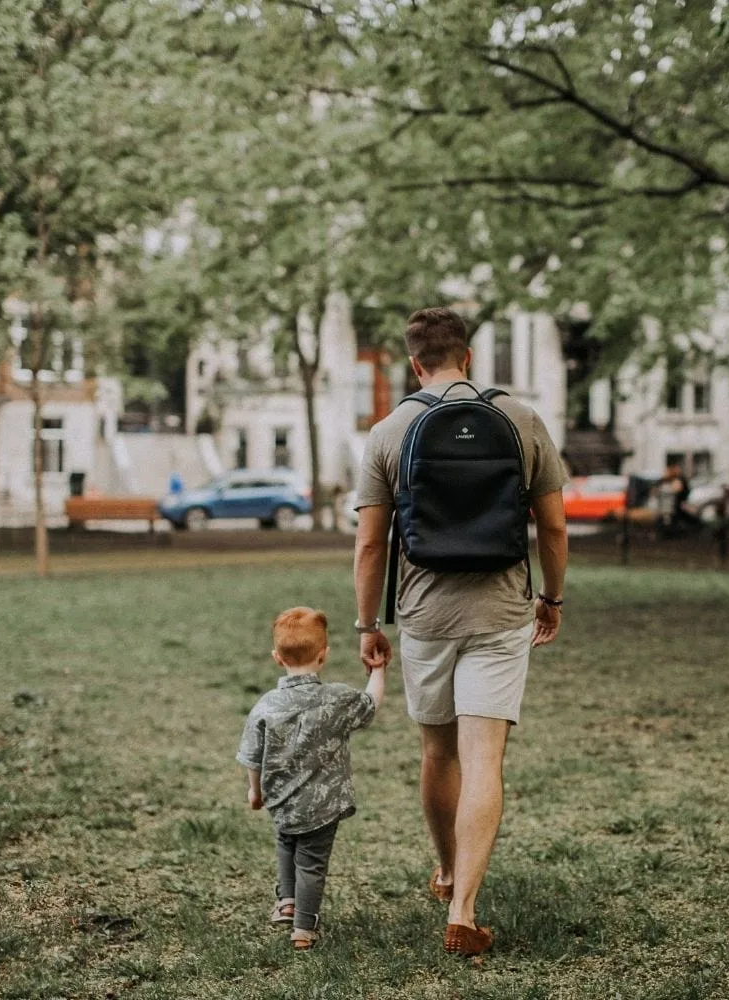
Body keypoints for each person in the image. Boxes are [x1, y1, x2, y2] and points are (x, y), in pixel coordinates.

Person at [353, 307, 568, 957]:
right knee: (485, 761)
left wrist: (369, 623)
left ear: (413, 364)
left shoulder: (389, 431)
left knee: (437, 754)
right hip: (501, 612)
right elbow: (553, 527)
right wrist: (552, 597)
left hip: (423, 617)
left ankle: (447, 870)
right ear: (467, 357)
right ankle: (465, 908)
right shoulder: (522, 419)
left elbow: (369, 544)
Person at [236, 606, 385, 950]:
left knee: (286, 843)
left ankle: (287, 901)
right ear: (324, 655)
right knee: (312, 864)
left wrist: (254, 792)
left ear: (277, 658)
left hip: (281, 801)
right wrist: (377, 670)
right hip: (323, 806)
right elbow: (371, 705)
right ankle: (304, 928)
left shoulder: (265, 706)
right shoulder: (337, 699)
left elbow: (251, 755)